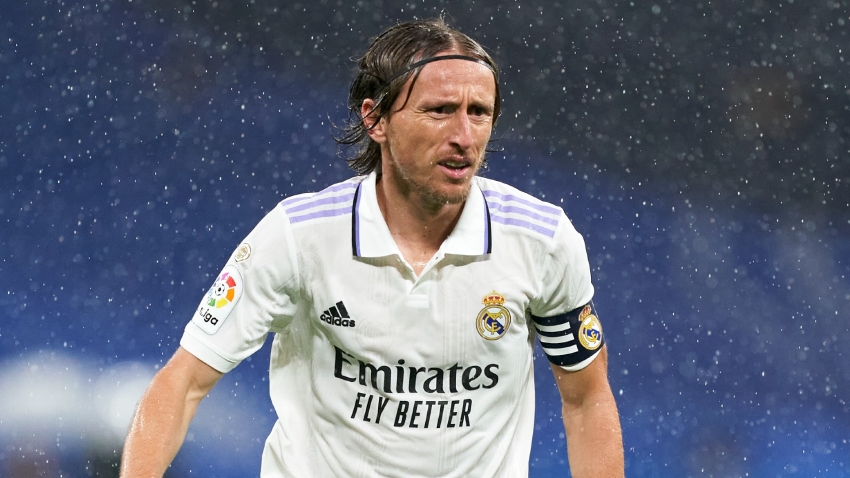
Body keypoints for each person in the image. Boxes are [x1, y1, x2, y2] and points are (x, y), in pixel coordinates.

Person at [121, 17, 624, 478]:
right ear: (375, 119)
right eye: (440, 111)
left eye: (479, 113)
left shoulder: (542, 241)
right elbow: (183, 383)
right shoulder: (299, 236)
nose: (464, 136)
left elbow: (586, 399)